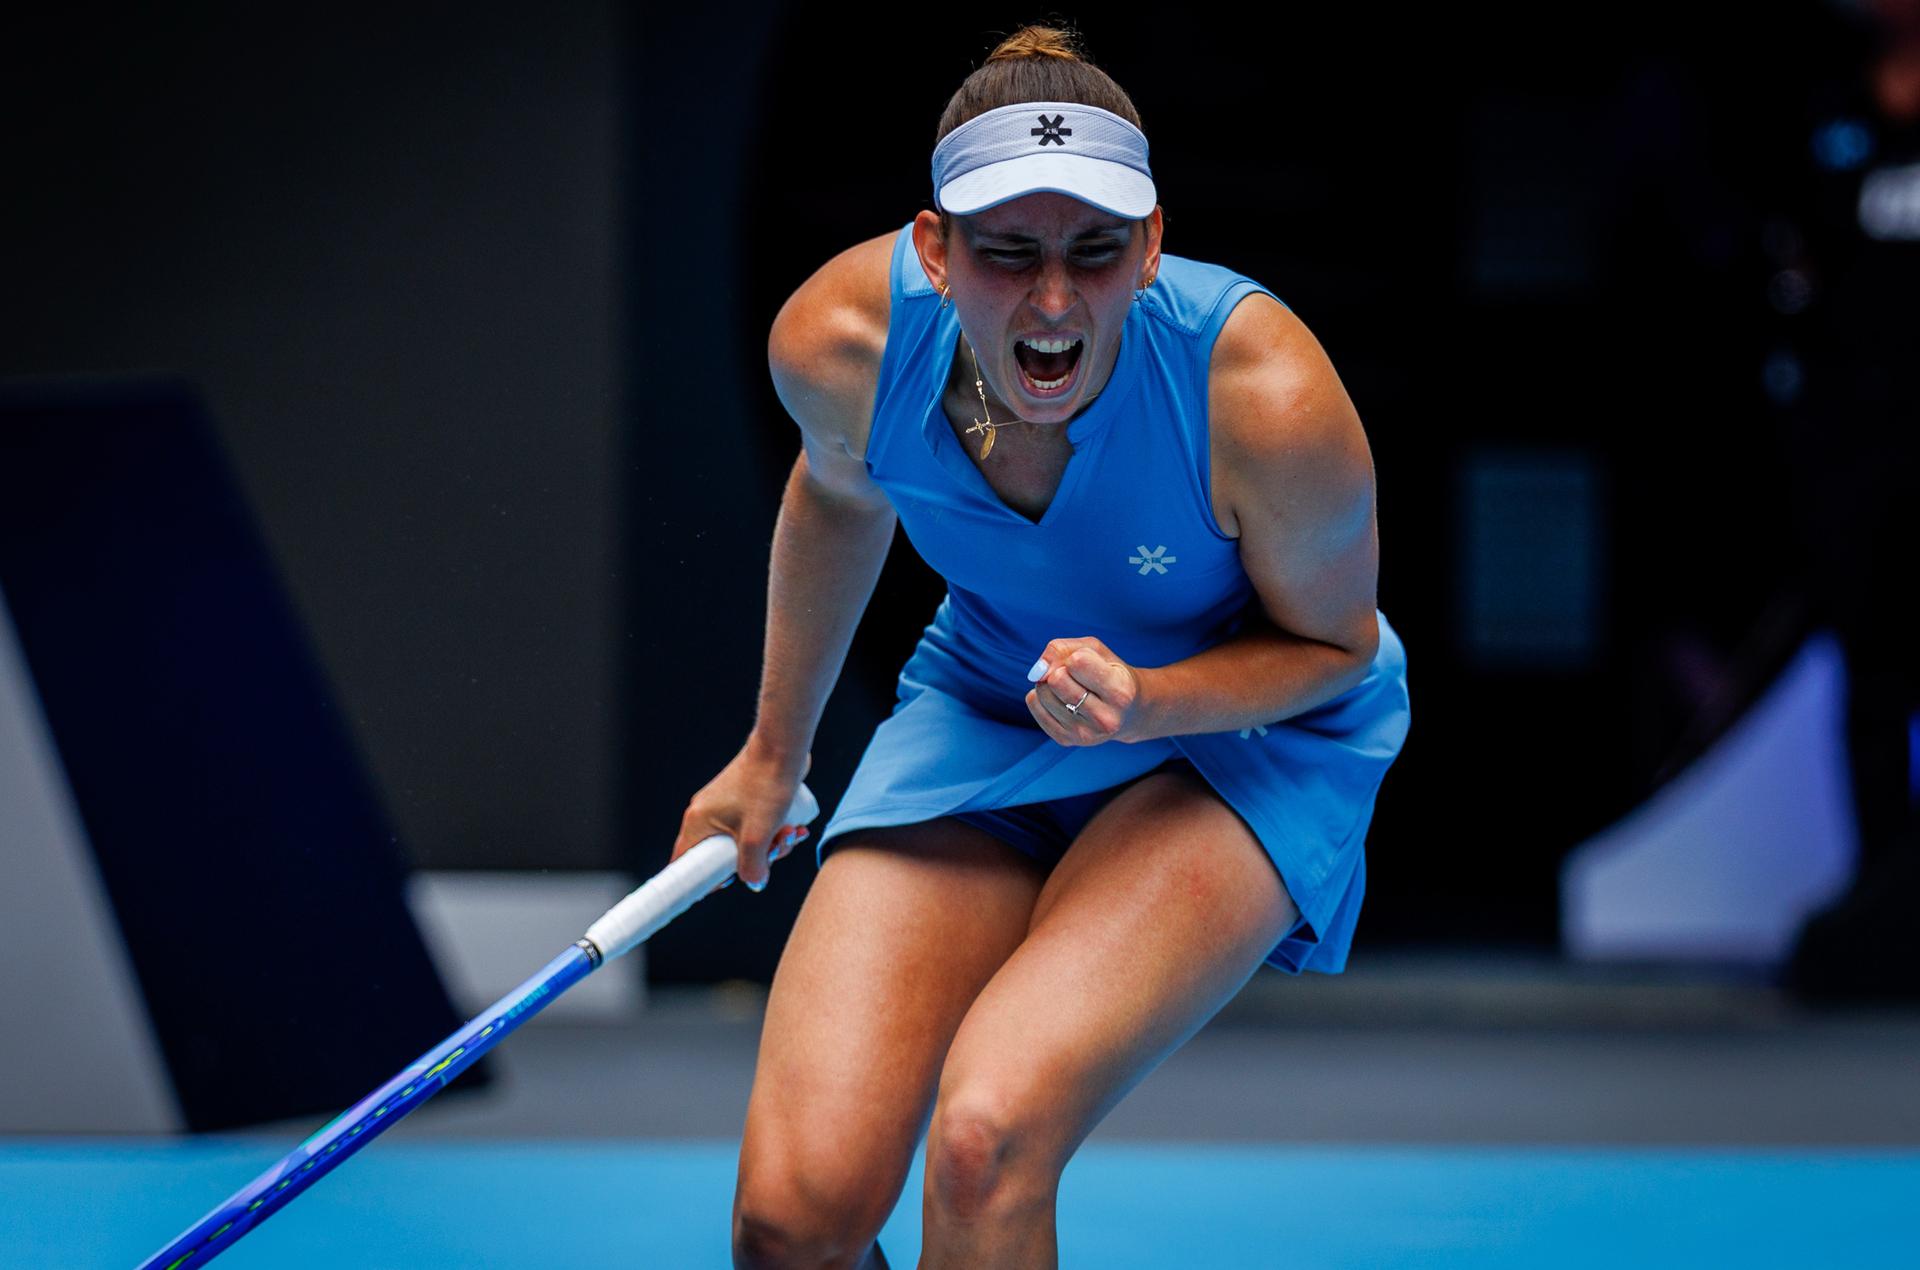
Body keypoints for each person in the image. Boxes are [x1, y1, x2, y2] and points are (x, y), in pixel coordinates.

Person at [669, 27, 1411, 1268]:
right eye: (1009, 252)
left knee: (986, 1141)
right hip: (994, 699)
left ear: (1153, 244)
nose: (1054, 301)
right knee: (790, 1221)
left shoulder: (1264, 395)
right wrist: (770, 756)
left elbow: (1337, 651)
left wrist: (1148, 701)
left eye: (1095, 250)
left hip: (1245, 740)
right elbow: (841, 496)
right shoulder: (845, 343)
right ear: (934, 250)